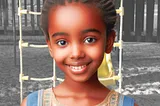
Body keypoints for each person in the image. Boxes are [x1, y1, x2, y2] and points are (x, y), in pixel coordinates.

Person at [21, 0, 138, 106]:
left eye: (90, 40)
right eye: (62, 42)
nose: (76, 54)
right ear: (50, 46)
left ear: (109, 42)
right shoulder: (33, 103)